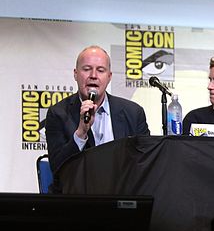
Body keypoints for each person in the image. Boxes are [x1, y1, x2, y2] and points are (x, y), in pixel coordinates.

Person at [45, 45, 150, 173]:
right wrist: (81, 133)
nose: (93, 75)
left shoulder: (133, 113)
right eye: (87, 69)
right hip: (78, 191)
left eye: (100, 70)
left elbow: (146, 164)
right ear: (76, 74)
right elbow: (57, 169)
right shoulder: (58, 114)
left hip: (122, 190)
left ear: (109, 77)